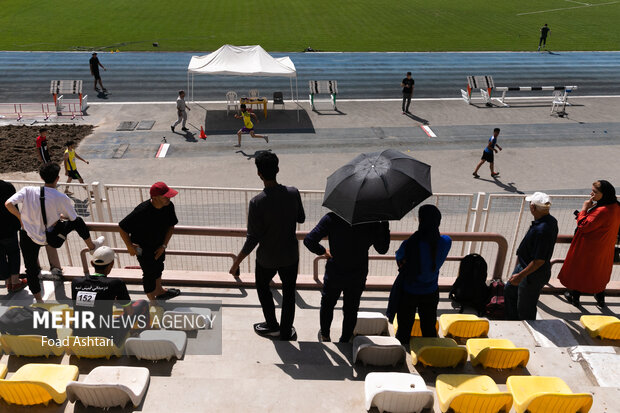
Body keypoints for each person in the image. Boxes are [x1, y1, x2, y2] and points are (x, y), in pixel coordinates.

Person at [229, 152, 305, 340]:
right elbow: (301, 219)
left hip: (267, 258)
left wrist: (236, 263)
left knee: (263, 288)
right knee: (289, 293)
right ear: (278, 169)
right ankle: (286, 331)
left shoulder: (257, 202)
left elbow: (252, 238)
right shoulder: (293, 193)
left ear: (259, 174)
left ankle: (272, 324)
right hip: (290, 256)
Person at [4, 163, 104, 302]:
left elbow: (8, 204)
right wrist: (59, 217)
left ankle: (39, 301)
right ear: (57, 178)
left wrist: (21, 218)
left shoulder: (27, 190)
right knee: (78, 221)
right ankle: (92, 246)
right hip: (51, 238)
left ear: (41, 177)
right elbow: (73, 218)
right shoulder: (61, 197)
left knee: (31, 269)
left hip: (28, 236)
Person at [304, 213, 390, 342]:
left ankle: (325, 336)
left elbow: (309, 240)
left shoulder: (332, 218)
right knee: (351, 309)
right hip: (357, 274)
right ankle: (345, 340)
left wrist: (322, 251)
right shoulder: (371, 222)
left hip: (335, 272)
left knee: (327, 304)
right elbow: (382, 249)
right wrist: (384, 224)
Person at [386, 205, 452, 346]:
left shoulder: (410, 244)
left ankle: (400, 355)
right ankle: (430, 354)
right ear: (438, 222)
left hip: (409, 292)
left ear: (420, 221)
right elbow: (439, 240)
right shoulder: (446, 242)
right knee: (428, 327)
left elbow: (400, 258)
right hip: (431, 291)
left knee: (404, 328)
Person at [559, 180, 620, 307]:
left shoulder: (601, 210)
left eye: (595, 192)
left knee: (580, 271)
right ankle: (600, 298)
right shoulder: (616, 206)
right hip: (606, 247)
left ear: (604, 194)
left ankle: (574, 297)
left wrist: (584, 209)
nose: (591, 193)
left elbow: (583, 226)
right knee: (600, 273)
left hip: (588, 247)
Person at [119, 182, 181, 302]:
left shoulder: (169, 206)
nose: (169, 198)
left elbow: (171, 226)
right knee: (148, 273)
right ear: (155, 198)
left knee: (159, 267)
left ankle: (159, 291)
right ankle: (152, 301)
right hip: (143, 248)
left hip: (159, 245)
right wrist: (129, 246)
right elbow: (122, 227)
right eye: (165, 196)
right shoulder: (141, 211)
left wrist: (163, 245)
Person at [504, 192, 558, 320]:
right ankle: (513, 321)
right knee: (510, 291)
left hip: (531, 274)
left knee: (525, 308)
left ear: (533, 207)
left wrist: (520, 275)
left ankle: (524, 327)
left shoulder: (542, 230)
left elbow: (539, 261)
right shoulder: (549, 221)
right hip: (525, 267)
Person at [71, 246, 135, 345]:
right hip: (106, 338)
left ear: (92, 263)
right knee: (140, 305)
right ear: (112, 264)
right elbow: (130, 312)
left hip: (79, 336)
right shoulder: (116, 283)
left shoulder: (76, 282)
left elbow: (89, 302)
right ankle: (137, 334)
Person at [0, 180, 27, 293]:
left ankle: (7, 282)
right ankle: (15, 281)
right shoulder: (8, 186)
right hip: (9, 227)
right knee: (14, 252)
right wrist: (20, 221)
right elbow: (13, 206)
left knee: (0, 257)